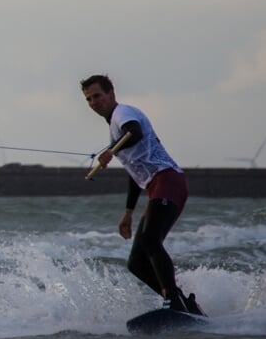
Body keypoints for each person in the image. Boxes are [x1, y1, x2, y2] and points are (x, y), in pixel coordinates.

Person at [81, 74, 202, 315]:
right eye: (88, 99)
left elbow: (134, 132)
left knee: (150, 241)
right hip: (154, 186)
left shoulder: (122, 113)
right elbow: (135, 174)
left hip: (168, 179)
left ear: (111, 94)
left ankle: (172, 301)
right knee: (136, 263)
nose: (94, 102)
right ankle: (181, 301)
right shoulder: (114, 128)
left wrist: (110, 151)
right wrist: (128, 213)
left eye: (97, 96)